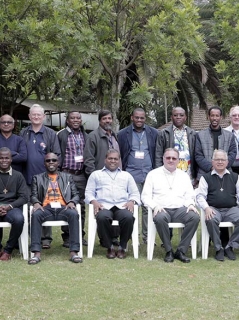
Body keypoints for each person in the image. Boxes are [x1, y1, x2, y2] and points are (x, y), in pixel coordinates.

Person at [142, 148, 199, 263]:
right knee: (160, 217)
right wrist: (155, 206)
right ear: (163, 159)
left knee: (194, 217)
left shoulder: (183, 176)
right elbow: (145, 196)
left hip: (180, 209)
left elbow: (189, 195)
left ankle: (181, 251)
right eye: (168, 158)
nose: (171, 160)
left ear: (178, 160)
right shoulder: (153, 174)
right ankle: (169, 251)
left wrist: (191, 204)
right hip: (162, 209)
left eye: (174, 158)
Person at [195, 150, 239, 262]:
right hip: (213, 209)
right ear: (212, 161)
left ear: (227, 162)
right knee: (211, 219)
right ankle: (218, 248)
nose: (220, 162)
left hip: (231, 209)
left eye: (222, 160)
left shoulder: (235, 177)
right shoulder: (205, 178)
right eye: (217, 159)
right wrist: (206, 208)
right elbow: (200, 196)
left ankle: (230, 246)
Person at [85, 149, 140, 259]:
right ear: (105, 160)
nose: (113, 161)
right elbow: (88, 193)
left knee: (129, 217)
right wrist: (93, 201)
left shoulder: (126, 175)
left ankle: (122, 247)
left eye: (115, 159)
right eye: (110, 158)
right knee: (102, 217)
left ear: (119, 160)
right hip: (103, 206)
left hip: (122, 206)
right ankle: (109, 246)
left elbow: (135, 193)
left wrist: (131, 201)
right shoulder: (96, 175)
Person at [20, 104, 61, 249]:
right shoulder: (23, 133)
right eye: (33, 114)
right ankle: (33, 237)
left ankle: (46, 238)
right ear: (29, 116)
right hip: (27, 177)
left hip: (46, 179)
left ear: (44, 117)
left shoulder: (50, 134)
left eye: (39, 115)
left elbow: (56, 155)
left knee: (46, 205)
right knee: (30, 207)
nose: (36, 117)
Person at [29, 152, 81, 264]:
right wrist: (36, 203)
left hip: (64, 207)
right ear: (44, 163)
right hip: (46, 208)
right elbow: (33, 195)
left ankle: (74, 252)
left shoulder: (67, 177)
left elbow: (76, 194)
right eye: (48, 161)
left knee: (74, 214)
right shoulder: (37, 178)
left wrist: (72, 201)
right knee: (36, 215)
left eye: (54, 160)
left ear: (58, 163)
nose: (51, 162)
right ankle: (36, 253)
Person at [118, 108, 158, 242]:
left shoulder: (153, 133)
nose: (139, 120)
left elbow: (156, 153)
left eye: (142, 118)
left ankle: (146, 237)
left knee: (147, 207)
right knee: (131, 206)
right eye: (137, 117)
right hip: (130, 176)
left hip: (149, 175)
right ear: (132, 118)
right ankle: (130, 234)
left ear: (145, 118)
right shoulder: (123, 134)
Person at [57, 111, 88, 247]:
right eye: (72, 118)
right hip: (65, 174)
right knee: (66, 205)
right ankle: (68, 237)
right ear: (67, 120)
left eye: (78, 118)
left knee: (81, 206)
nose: (75, 120)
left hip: (81, 175)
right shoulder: (61, 135)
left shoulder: (86, 135)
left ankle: (80, 235)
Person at [155, 106, 197, 185]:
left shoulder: (192, 133)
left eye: (181, 115)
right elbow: (158, 156)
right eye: (175, 115)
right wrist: (159, 175)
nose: (178, 117)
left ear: (185, 117)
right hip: (169, 174)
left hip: (188, 174)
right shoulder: (164, 133)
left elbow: (196, 155)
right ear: (171, 117)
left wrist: (196, 175)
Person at [194, 106, 236, 181]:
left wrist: (221, 167)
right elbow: (198, 155)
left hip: (225, 174)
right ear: (208, 117)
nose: (214, 118)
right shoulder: (200, 135)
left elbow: (232, 154)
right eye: (212, 115)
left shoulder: (229, 136)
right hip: (204, 174)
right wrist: (211, 167)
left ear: (221, 117)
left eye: (217, 116)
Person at [84, 110, 119, 176]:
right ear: (99, 121)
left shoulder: (114, 136)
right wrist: (93, 176)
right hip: (100, 175)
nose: (107, 121)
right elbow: (88, 159)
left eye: (109, 118)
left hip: (115, 175)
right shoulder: (93, 136)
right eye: (104, 119)